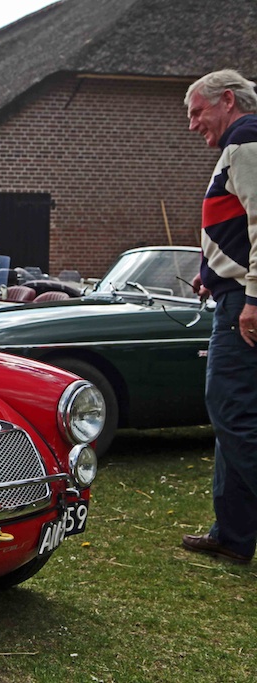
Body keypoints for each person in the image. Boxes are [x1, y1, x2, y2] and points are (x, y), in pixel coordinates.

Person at [181, 69, 257, 565]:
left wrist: (253, 297)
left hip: (242, 306)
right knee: (235, 416)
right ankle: (232, 534)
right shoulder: (241, 144)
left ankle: (234, 532)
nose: (192, 125)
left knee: (232, 412)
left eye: (197, 112)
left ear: (227, 100)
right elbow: (239, 227)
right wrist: (213, 271)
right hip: (232, 294)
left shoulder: (247, 141)